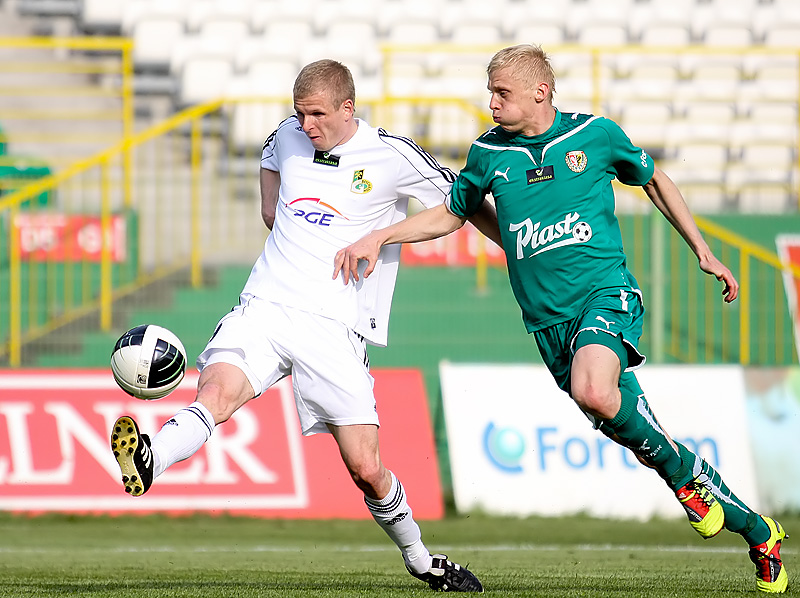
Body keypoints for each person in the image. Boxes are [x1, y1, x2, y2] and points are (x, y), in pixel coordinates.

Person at [333, 44, 788, 594]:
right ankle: (755, 528)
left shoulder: (594, 135)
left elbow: (655, 179)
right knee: (620, 413)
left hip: (605, 294)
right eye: (490, 92)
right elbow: (451, 213)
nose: (491, 102)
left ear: (539, 93)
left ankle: (690, 484)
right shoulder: (487, 153)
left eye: (501, 92)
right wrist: (383, 233)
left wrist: (703, 250)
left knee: (594, 390)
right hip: (546, 323)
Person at [111, 59, 497, 593]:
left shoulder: (389, 153)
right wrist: (272, 206)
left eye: (317, 114)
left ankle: (420, 557)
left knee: (366, 469)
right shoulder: (287, 136)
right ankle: (150, 459)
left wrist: (382, 237)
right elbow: (271, 161)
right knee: (215, 393)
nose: (307, 125)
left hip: (332, 326)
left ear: (348, 108)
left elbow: (458, 208)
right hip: (265, 304)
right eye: (300, 114)